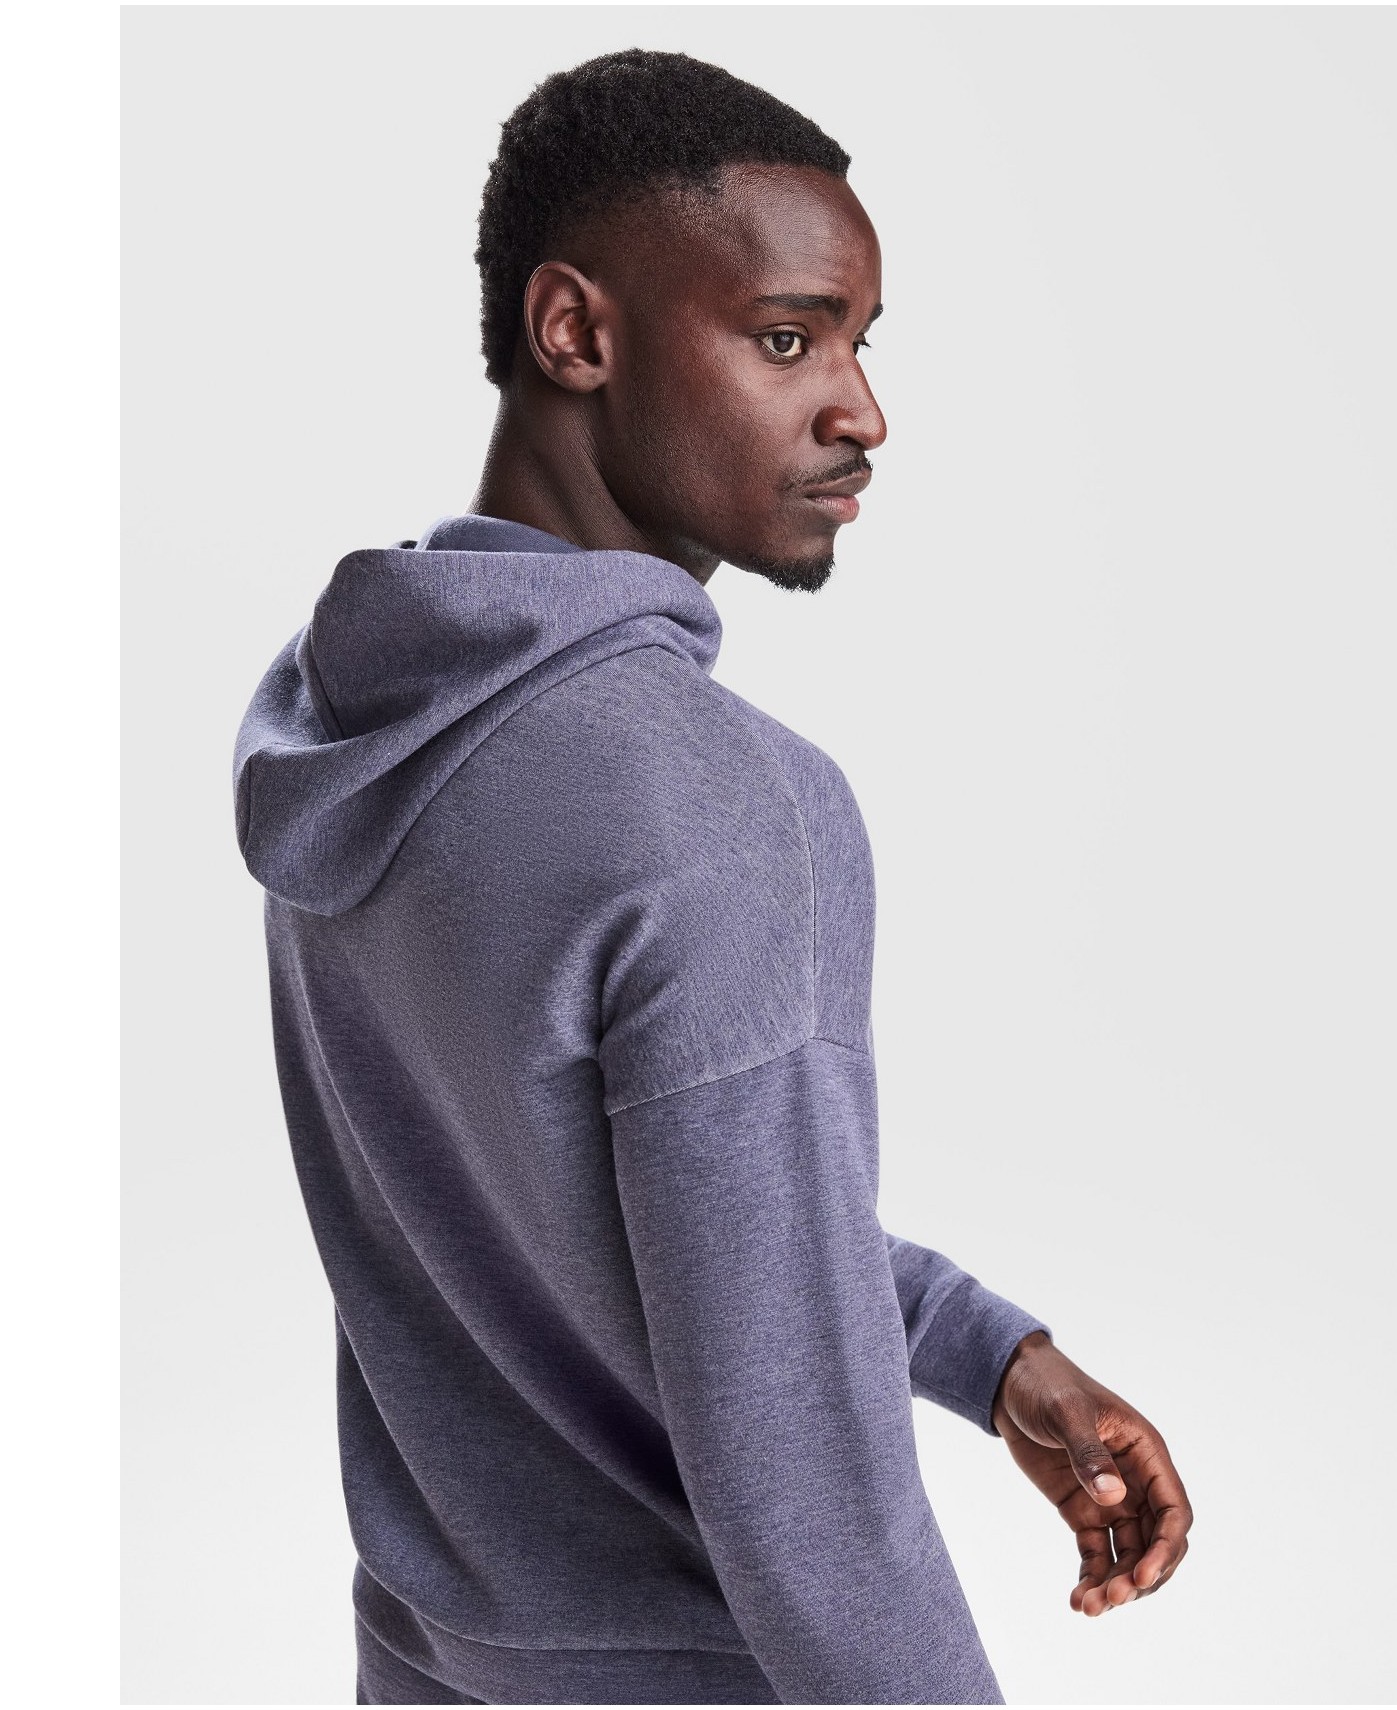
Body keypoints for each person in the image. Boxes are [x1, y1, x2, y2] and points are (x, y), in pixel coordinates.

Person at [231, 47, 1193, 1707]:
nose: (861, 410)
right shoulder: (732, 808)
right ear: (576, 332)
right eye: (786, 337)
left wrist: (991, 1355)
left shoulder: (365, 729)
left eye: (862, 342)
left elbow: (626, 1223)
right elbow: (811, 1500)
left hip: (434, 1660)